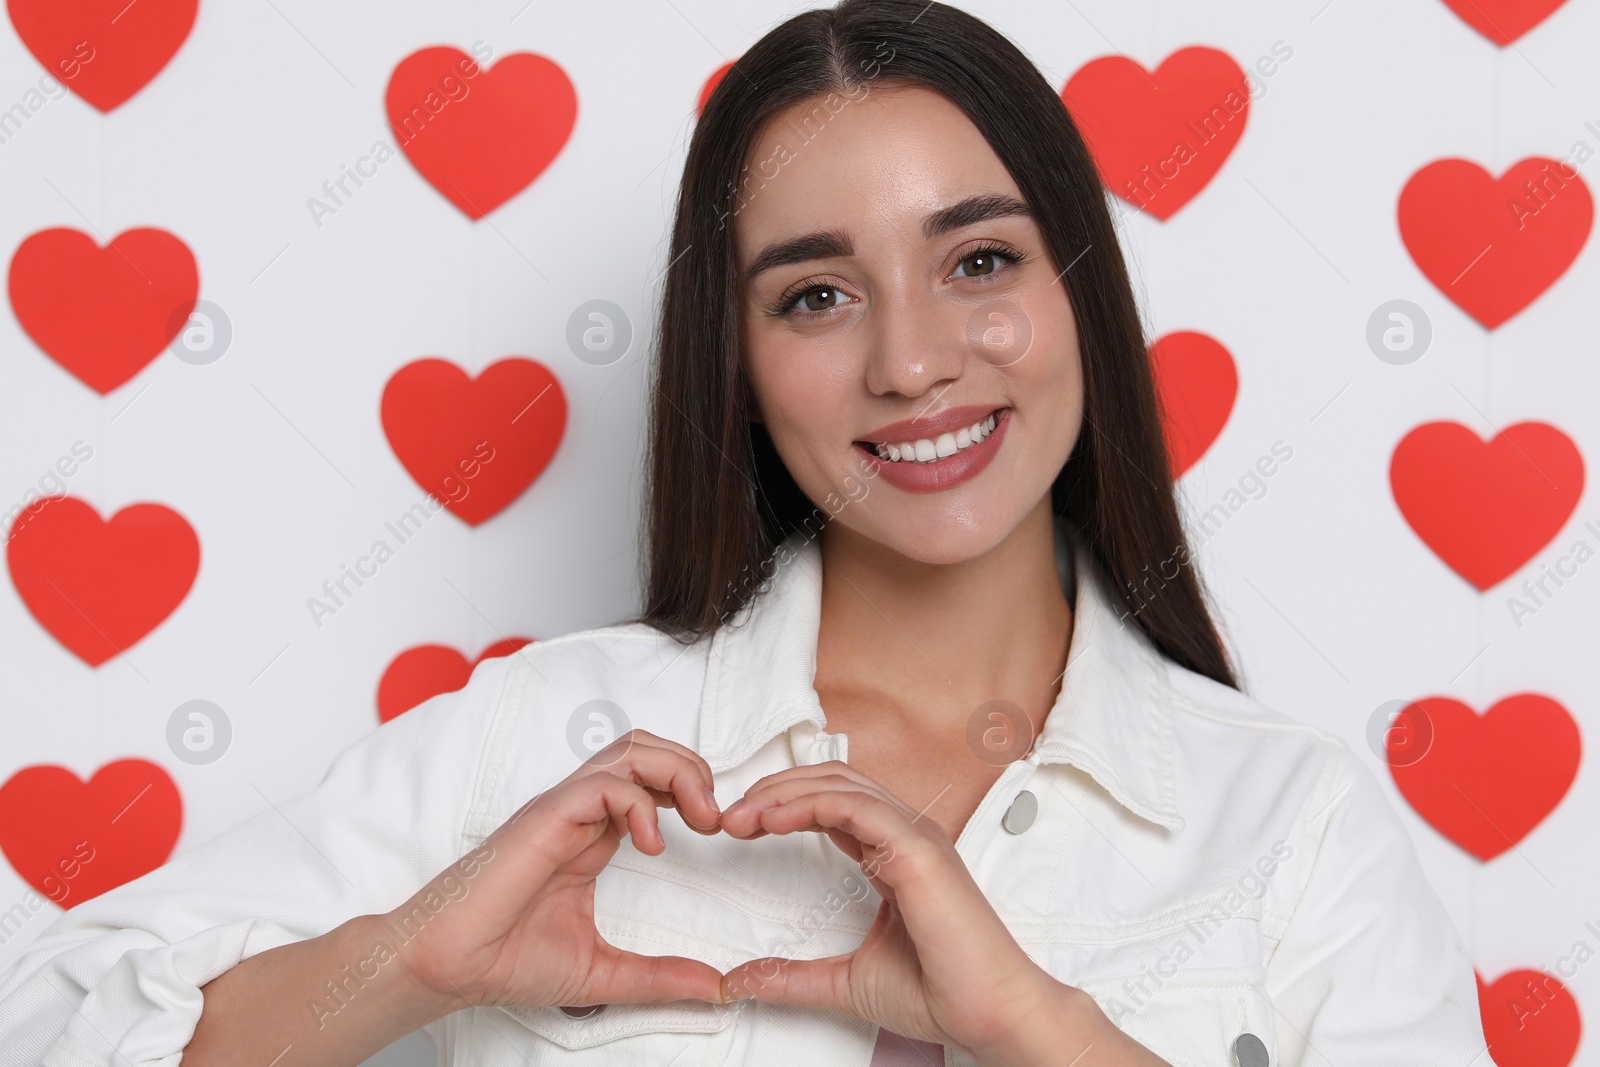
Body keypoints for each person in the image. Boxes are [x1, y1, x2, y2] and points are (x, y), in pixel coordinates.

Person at [0, 1, 1492, 1064]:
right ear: (739, 356)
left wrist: (1040, 1032)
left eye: (979, 258)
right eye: (816, 294)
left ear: (1079, 294)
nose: (912, 363)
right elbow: (53, 1021)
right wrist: (408, 968)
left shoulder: (1298, 826)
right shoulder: (532, 744)